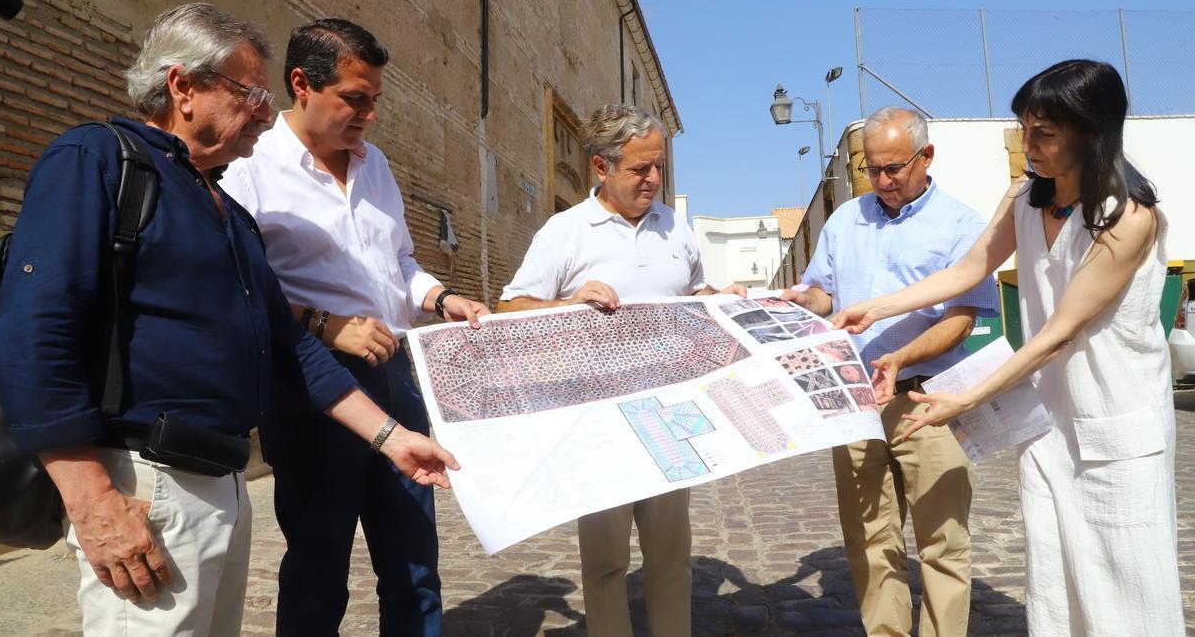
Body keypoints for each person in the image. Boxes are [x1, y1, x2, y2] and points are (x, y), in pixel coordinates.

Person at [0, 3, 457, 635]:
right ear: (183, 87)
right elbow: (33, 330)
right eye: (249, 93)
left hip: (224, 480)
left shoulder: (224, 208)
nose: (266, 113)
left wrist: (391, 438)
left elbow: (288, 342)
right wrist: (91, 497)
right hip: (144, 484)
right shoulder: (97, 159)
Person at [833, 60, 1184, 634]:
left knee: (1126, 581)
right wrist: (874, 309)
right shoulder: (1023, 199)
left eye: (1043, 134)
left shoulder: (1130, 219)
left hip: (1118, 421)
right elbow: (967, 269)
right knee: (1055, 577)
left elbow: (1058, 332)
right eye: (1025, 129)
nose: (1029, 145)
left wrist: (965, 398)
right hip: (1049, 423)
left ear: (1091, 132)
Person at [221, 18, 488, 636]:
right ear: (301, 84)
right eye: (355, 99)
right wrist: (322, 324)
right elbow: (235, 283)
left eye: (375, 101)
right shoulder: (251, 166)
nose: (369, 115)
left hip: (396, 378)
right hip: (313, 390)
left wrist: (442, 296)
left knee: (415, 564)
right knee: (318, 569)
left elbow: (399, 263)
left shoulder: (375, 165)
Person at [498, 104, 745, 637]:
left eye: (658, 167)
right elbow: (508, 310)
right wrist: (565, 304)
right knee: (606, 565)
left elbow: (693, 294)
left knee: (671, 559)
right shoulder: (564, 232)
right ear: (601, 168)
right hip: (599, 428)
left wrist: (719, 299)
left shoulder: (675, 227)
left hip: (672, 422)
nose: (653, 179)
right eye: (640, 169)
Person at [782, 107, 998, 636]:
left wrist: (902, 358)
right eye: (870, 168)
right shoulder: (845, 220)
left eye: (893, 169)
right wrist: (795, 300)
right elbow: (822, 292)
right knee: (870, 540)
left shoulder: (962, 226)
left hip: (929, 402)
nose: (881, 181)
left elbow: (961, 320)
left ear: (927, 157)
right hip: (854, 403)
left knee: (943, 543)